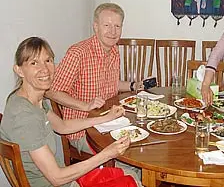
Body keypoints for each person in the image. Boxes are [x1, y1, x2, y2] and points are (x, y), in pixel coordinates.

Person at [0, 37, 137, 187]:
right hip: (58, 182)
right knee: (131, 180)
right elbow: (56, 178)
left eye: (48, 60)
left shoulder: (30, 99)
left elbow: (62, 126)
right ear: (19, 70)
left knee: (130, 175)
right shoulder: (24, 115)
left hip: (63, 178)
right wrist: (107, 154)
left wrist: (106, 118)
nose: (45, 69)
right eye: (34, 63)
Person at [46, 3, 142, 153]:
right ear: (96, 26)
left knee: (142, 139)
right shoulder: (78, 53)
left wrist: (132, 86)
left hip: (108, 120)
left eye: (117, 26)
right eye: (107, 25)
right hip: (83, 130)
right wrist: (85, 105)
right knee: (131, 154)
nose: (112, 31)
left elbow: (109, 84)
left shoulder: (114, 50)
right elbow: (51, 92)